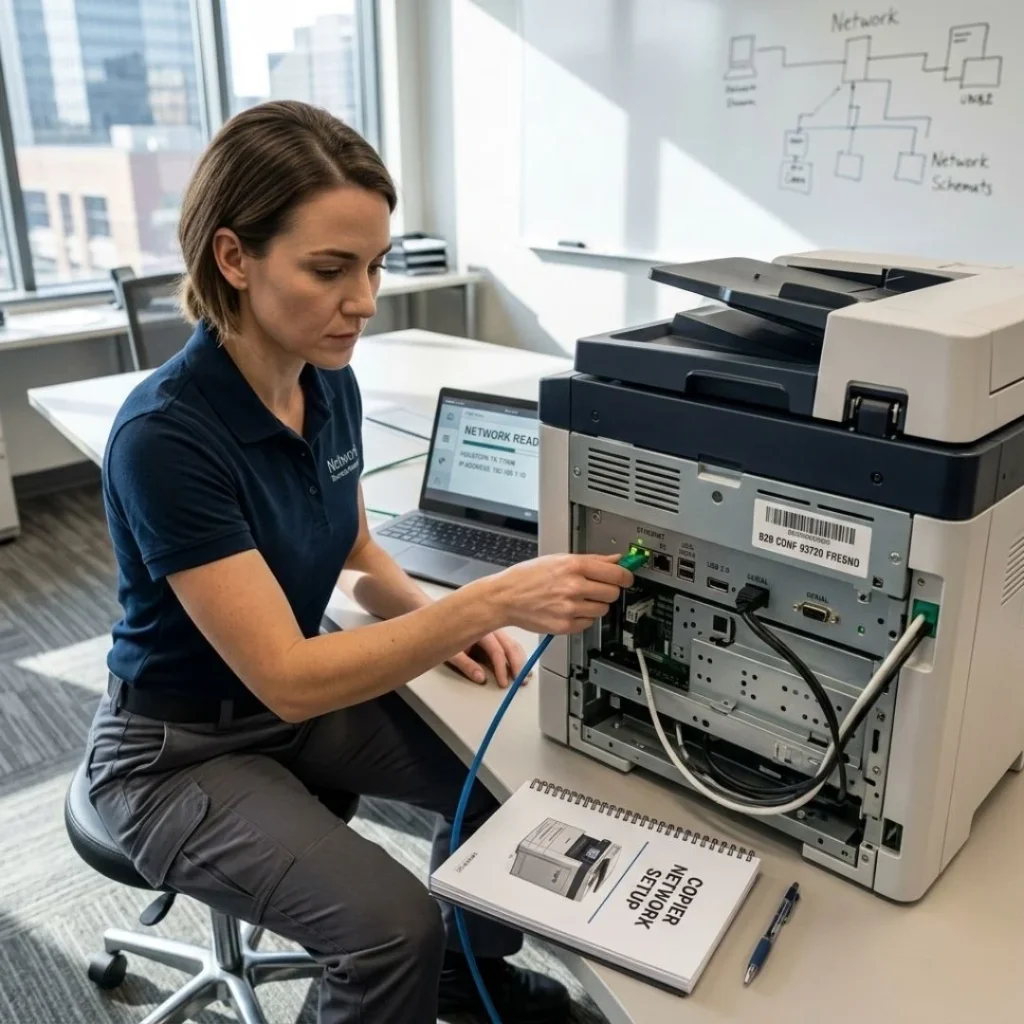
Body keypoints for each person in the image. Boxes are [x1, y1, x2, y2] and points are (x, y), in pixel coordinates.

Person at [84, 100, 633, 1024]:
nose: (366, 300)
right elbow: (292, 678)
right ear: (233, 258)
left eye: (374, 266)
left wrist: (424, 614)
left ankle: (464, 979)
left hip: (287, 717)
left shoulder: (324, 377)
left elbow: (354, 546)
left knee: (501, 782)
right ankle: (418, 969)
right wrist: (475, 607)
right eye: (331, 269)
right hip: (175, 753)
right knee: (389, 928)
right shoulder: (166, 435)